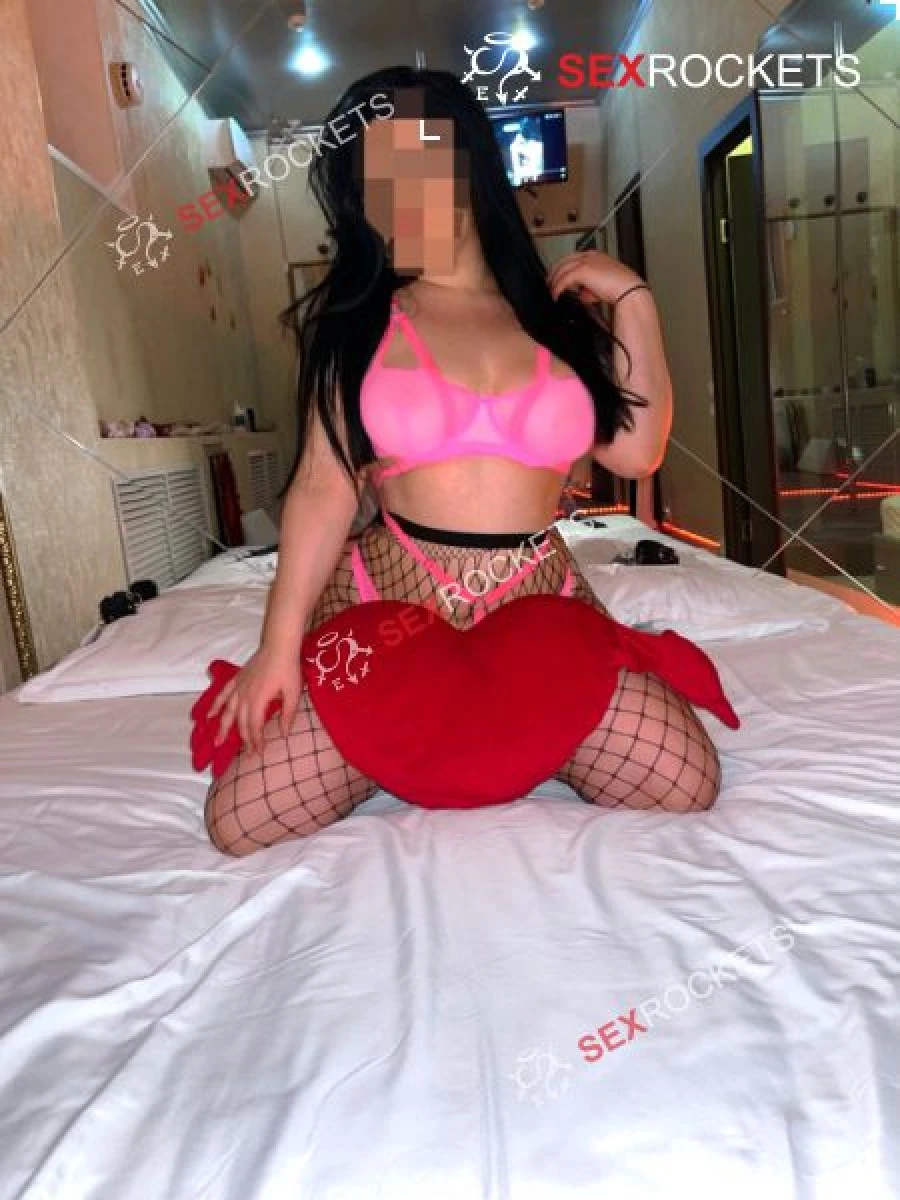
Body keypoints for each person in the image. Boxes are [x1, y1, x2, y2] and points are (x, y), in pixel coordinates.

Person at [201, 67, 729, 857]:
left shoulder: (553, 319)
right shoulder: (356, 321)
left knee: (688, 783)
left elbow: (636, 449)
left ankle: (493, 734)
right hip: (388, 599)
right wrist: (278, 645)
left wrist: (633, 300)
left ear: (470, 160)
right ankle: (407, 741)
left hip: (539, 596)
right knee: (241, 819)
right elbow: (321, 485)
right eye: (375, 177)